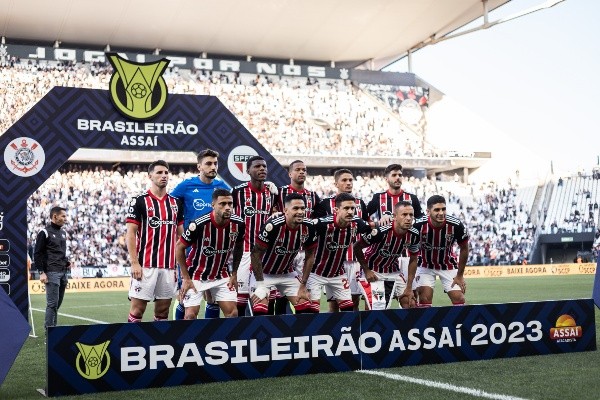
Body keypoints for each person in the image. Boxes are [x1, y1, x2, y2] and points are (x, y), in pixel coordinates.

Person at [171, 148, 231, 319]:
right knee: (186, 299)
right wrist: (180, 230)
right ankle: (180, 337)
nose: (213, 167)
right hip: (191, 253)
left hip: (215, 255)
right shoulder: (185, 186)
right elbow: (170, 209)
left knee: (212, 299)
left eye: (215, 163)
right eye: (209, 164)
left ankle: (208, 337)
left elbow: (236, 203)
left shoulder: (222, 187)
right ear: (199, 166)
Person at [126, 160, 183, 322]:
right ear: (150, 176)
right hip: (145, 265)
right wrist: (134, 262)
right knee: (137, 311)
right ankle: (132, 344)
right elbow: (131, 233)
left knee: (163, 312)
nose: (164, 175)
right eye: (159, 172)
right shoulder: (139, 201)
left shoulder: (175, 203)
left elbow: (182, 236)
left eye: (166, 172)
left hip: (169, 267)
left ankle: (157, 345)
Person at [298, 193, 376, 313]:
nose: (350, 212)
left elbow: (374, 229)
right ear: (336, 210)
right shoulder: (322, 224)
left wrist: (386, 221)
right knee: (312, 311)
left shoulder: (357, 224)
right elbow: (302, 225)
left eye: (352, 208)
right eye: (346, 208)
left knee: (348, 309)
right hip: (316, 273)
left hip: (338, 274)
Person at [176, 189, 244, 319]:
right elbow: (179, 247)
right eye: (223, 204)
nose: (228, 207)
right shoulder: (199, 224)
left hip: (221, 274)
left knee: (233, 313)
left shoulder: (239, 224)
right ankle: (181, 309)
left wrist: (234, 273)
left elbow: (239, 247)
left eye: (230, 204)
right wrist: (186, 278)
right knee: (190, 315)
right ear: (213, 205)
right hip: (196, 274)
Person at [250, 193, 316, 315]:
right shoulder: (273, 226)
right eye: (295, 208)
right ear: (285, 210)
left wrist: (303, 285)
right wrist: (260, 284)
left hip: (287, 274)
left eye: (302, 208)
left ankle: (296, 334)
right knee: (260, 310)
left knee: (306, 308)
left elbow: (310, 256)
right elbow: (255, 254)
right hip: (264, 274)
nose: (300, 212)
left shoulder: (309, 227)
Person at [366, 163, 423, 303]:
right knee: (376, 301)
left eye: (400, 175)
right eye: (394, 175)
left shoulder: (412, 198)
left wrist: (408, 223)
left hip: (407, 255)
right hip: (384, 254)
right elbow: (363, 220)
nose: (398, 178)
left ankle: (408, 323)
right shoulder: (378, 198)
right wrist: (378, 223)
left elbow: (421, 220)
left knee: (411, 296)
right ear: (387, 178)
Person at [313, 169, 370, 311]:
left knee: (354, 301)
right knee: (333, 303)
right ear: (336, 183)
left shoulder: (360, 203)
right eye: (344, 180)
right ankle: (334, 331)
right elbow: (316, 227)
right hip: (333, 261)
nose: (348, 183)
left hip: (355, 260)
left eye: (351, 180)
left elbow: (366, 227)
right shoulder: (325, 204)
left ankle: (353, 330)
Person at [272, 160, 321, 314]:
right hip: (282, 250)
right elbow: (271, 213)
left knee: (303, 293)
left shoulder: (313, 195)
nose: (302, 172)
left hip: (303, 251)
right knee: (279, 294)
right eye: (298, 169)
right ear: (290, 173)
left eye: (304, 170)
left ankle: (301, 328)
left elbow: (318, 220)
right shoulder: (279, 192)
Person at [232, 155, 277, 316]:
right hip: (244, 252)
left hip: (264, 254)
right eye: (257, 166)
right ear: (248, 170)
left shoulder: (272, 193)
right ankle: (239, 336)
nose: (262, 169)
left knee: (264, 300)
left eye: (264, 166)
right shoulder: (238, 192)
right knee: (240, 301)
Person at [355, 201, 420, 309]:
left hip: (393, 271)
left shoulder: (414, 234)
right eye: (404, 215)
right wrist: (366, 270)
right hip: (374, 271)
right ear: (394, 216)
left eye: (411, 215)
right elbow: (357, 247)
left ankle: (406, 326)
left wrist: (409, 287)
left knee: (410, 303)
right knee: (375, 307)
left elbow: (413, 259)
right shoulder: (381, 231)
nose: (408, 218)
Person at [413, 194, 469, 307]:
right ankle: (427, 324)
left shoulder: (456, 225)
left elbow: (464, 248)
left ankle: (460, 324)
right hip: (425, 265)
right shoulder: (418, 224)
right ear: (428, 211)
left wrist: (460, 275)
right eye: (437, 210)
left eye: (443, 209)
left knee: (459, 298)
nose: (441, 213)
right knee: (424, 298)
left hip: (448, 264)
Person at [34, 206, 70, 330]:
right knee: (52, 304)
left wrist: (67, 262)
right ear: (55, 217)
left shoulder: (64, 233)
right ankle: (49, 332)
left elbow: (61, 253)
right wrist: (41, 272)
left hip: (63, 272)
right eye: (63, 216)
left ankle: (52, 329)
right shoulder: (44, 232)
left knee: (57, 304)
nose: (65, 218)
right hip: (51, 272)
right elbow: (37, 253)